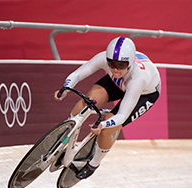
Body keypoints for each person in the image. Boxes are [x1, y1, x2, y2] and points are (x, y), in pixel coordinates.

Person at [54, 36, 161, 179]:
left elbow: (122, 115)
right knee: (87, 102)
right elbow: (77, 74)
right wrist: (65, 88)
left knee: (105, 130)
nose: (116, 69)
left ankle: (94, 163)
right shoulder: (104, 58)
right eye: (111, 64)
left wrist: (103, 124)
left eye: (121, 65)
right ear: (107, 59)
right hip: (118, 82)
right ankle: (65, 139)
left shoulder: (138, 78)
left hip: (144, 93)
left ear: (130, 63)